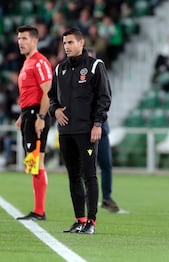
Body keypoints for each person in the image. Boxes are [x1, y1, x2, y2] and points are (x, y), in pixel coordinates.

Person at [49, 28, 111, 234]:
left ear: (81, 43)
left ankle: (91, 222)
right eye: (64, 43)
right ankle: (79, 219)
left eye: (70, 42)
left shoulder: (95, 66)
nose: (66, 46)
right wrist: (55, 110)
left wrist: (98, 124)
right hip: (65, 132)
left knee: (89, 175)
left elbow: (104, 97)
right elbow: (52, 98)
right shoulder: (59, 69)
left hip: (87, 131)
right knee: (73, 176)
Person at [15, 25, 52, 221]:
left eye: (24, 38)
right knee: (33, 162)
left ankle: (39, 211)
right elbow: (30, 93)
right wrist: (23, 115)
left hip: (37, 115)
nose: (20, 42)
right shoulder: (27, 63)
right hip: (29, 114)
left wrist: (41, 117)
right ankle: (38, 210)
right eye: (19, 38)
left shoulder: (39, 62)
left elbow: (48, 91)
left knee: (37, 162)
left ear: (35, 41)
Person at [87, 48, 120, 213]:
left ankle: (106, 197)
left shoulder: (101, 78)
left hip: (102, 128)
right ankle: (87, 197)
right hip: (85, 128)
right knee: (86, 166)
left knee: (106, 164)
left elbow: (106, 100)